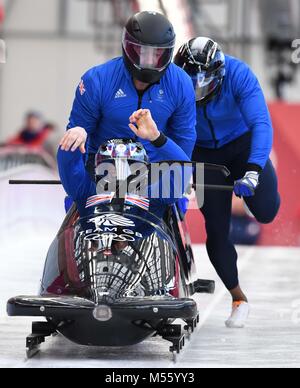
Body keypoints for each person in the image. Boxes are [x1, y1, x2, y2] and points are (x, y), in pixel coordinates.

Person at [174, 37, 281, 328]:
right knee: (217, 229)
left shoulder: (239, 74)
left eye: (203, 85)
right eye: (190, 85)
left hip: (241, 145)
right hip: (203, 152)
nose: (197, 92)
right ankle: (238, 297)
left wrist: (254, 169)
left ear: (219, 76)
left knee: (267, 211)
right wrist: (178, 167)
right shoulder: (170, 80)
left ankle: (258, 186)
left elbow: (260, 122)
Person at [61, 11, 196, 177]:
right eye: (142, 52)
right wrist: (80, 186)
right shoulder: (97, 80)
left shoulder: (181, 83)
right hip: (102, 172)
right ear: (127, 47)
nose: (149, 61)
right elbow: (75, 138)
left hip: (153, 176)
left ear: (168, 53)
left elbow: (184, 137)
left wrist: (179, 183)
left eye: (157, 54)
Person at [58, 109, 191, 221]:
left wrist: (157, 137)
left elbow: (183, 167)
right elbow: (69, 165)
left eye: (130, 166)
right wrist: (77, 133)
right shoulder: (86, 192)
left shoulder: (154, 197)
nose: (119, 173)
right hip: (93, 250)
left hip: (146, 251)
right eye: (111, 166)